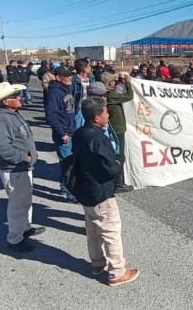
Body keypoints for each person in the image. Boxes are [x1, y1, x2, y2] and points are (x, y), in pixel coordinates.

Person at [70, 97, 140, 286]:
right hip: (100, 191)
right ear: (96, 118)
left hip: (85, 189)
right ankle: (117, 271)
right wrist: (117, 163)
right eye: (105, 113)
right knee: (110, 230)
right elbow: (110, 167)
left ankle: (97, 263)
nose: (108, 115)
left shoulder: (79, 133)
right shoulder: (98, 138)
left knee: (92, 228)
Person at [0, 82, 44, 252]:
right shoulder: (2, 119)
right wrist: (24, 158)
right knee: (17, 205)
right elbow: (3, 149)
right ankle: (15, 239)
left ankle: (25, 228)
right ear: (5, 102)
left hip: (23, 168)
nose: (19, 98)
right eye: (14, 96)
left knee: (25, 201)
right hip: (15, 169)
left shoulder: (13, 114)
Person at [45, 66, 77, 202]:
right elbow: (51, 116)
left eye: (70, 75)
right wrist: (62, 133)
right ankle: (70, 193)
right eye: (67, 76)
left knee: (69, 163)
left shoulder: (66, 88)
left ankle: (65, 187)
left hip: (71, 130)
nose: (70, 78)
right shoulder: (54, 92)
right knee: (68, 164)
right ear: (58, 78)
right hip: (64, 134)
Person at [101, 72, 134, 193]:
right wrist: (129, 82)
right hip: (117, 129)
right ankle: (118, 183)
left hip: (115, 128)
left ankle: (116, 182)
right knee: (119, 156)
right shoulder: (111, 95)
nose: (115, 83)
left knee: (116, 155)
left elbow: (121, 93)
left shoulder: (108, 94)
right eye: (114, 81)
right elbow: (129, 96)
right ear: (110, 83)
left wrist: (123, 82)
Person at [72, 59, 91, 129]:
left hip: (89, 110)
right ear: (84, 69)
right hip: (79, 111)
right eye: (89, 66)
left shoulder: (90, 79)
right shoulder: (74, 81)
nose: (90, 68)